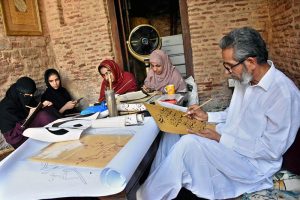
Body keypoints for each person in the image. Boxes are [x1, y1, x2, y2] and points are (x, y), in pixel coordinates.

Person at [137, 27, 300, 200]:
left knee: (189, 144)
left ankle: (145, 197)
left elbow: (270, 150)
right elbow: (235, 113)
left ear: (251, 62)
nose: (226, 72)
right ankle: (153, 186)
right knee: (170, 135)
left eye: (229, 67)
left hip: (253, 165)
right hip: (230, 144)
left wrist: (218, 137)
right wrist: (207, 117)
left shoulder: (282, 94)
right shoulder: (246, 78)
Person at [0, 77, 59, 149]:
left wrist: (42, 105)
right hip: (20, 139)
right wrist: (28, 117)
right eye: (28, 95)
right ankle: (58, 136)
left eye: (32, 94)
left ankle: (59, 134)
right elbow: (11, 138)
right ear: (20, 93)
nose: (31, 97)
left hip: (29, 127)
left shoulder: (25, 96)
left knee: (47, 110)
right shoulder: (4, 109)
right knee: (43, 116)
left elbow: (33, 108)